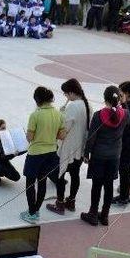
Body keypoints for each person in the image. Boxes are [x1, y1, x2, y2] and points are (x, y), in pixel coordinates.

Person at [81, 86, 128, 226]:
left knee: (96, 186)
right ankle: (105, 215)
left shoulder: (98, 115)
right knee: (109, 186)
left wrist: (86, 153)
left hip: (99, 156)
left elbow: (92, 137)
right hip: (114, 156)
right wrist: (123, 104)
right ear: (119, 98)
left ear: (104, 99)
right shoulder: (125, 114)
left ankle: (93, 214)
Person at [20, 87, 66, 224]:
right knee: (42, 181)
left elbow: (29, 137)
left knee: (30, 183)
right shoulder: (59, 114)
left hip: (35, 153)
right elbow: (62, 135)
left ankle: (31, 212)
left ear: (37, 100)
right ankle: (36, 210)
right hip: (51, 152)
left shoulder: (35, 115)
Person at [47, 79, 91, 215]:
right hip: (79, 148)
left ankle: (60, 204)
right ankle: (71, 201)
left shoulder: (73, 106)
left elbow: (63, 131)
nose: (66, 97)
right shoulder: (87, 104)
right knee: (75, 175)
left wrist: (60, 115)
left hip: (68, 148)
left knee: (60, 176)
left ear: (71, 92)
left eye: (66, 94)